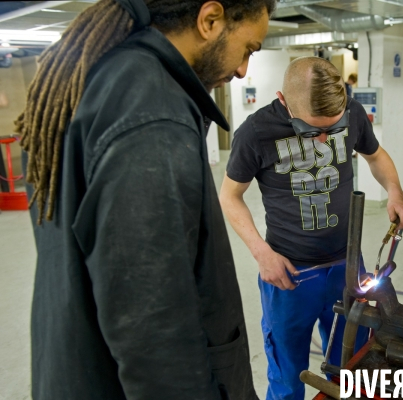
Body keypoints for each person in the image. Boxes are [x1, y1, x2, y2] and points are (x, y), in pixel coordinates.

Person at [15, 0, 274, 399]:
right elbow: (153, 328)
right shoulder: (152, 111)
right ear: (210, 20)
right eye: (248, 49)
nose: (243, 70)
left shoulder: (97, 77)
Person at [220, 57, 403, 400]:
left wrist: (395, 191)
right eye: (311, 131)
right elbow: (230, 196)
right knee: (288, 377)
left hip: (348, 266)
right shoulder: (256, 132)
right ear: (283, 100)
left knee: (352, 366)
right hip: (290, 274)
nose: (324, 140)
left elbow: (375, 155)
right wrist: (262, 254)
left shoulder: (352, 112)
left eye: (333, 128)